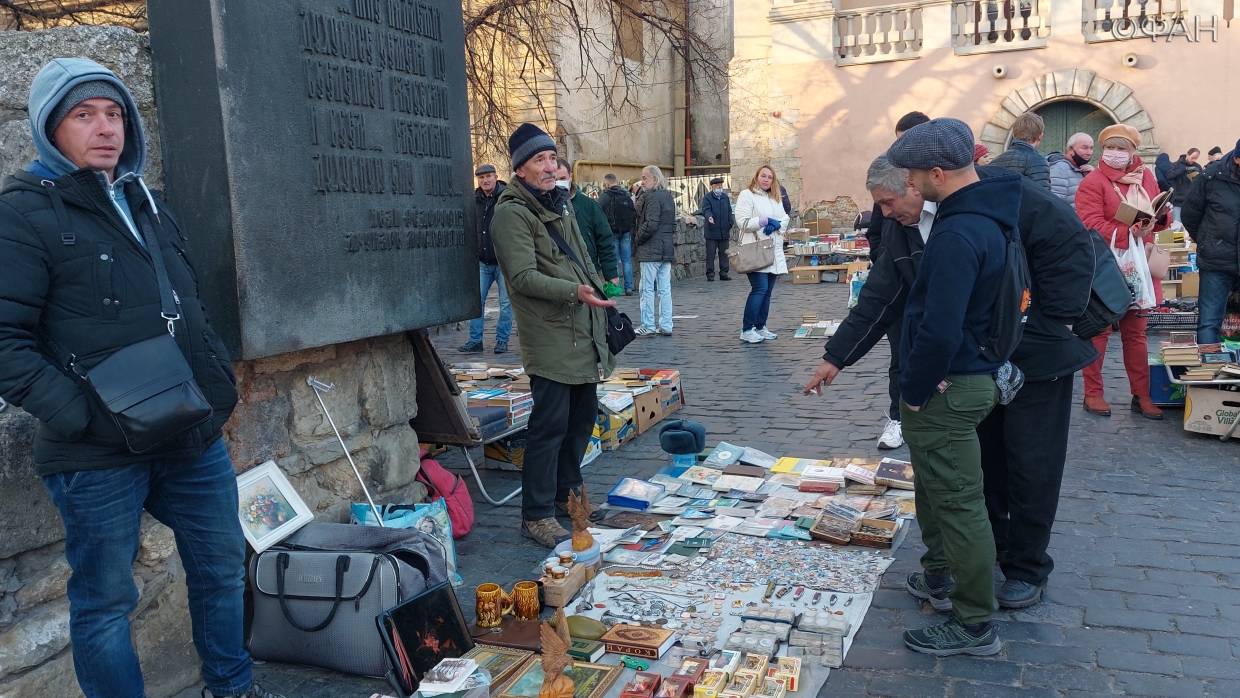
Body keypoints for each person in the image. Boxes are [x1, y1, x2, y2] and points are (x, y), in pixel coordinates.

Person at [0, 58, 280, 698]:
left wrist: (216, 393)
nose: (105, 128)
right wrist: (78, 414)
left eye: (114, 113)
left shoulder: (146, 201)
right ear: (49, 126)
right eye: (83, 114)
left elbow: (189, 305)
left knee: (219, 569)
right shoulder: (22, 213)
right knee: (104, 603)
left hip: (189, 435)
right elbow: (4, 341)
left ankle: (231, 689)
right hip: (96, 452)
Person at [804, 154, 1096, 611]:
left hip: (1036, 357)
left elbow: (1073, 255)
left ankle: (1026, 567)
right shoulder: (905, 224)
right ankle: (986, 556)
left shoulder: (1005, 201)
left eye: (887, 202)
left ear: (918, 183)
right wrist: (836, 356)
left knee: (1032, 465)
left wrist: (1029, 330)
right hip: (972, 367)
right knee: (983, 464)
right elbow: (883, 294)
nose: (882, 215)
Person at [887, 118, 1018, 657]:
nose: (912, 187)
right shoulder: (989, 217)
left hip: (949, 384)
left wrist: (914, 390)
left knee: (961, 503)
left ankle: (973, 622)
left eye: (916, 177)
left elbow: (940, 325)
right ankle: (942, 579)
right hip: (973, 374)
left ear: (939, 172)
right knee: (944, 491)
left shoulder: (960, 231)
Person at [490, 123, 616, 547]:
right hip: (549, 335)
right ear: (520, 170)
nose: (550, 166)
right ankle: (536, 514)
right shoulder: (510, 212)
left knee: (581, 421)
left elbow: (582, 258)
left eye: (551, 158)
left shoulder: (559, 204)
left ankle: (570, 495)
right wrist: (574, 291)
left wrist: (598, 285)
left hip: (582, 330)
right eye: (539, 160)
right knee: (549, 428)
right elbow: (522, 277)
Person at [1075, 123, 1170, 420]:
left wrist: (1160, 217)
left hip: (1141, 266)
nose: (1115, 153)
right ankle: (1093, 393)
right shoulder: (1094, 182)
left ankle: (1141, 395)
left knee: (1137, 335)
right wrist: (1126, 231)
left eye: (1122, 148)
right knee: (1099, 331)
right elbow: (1087, 223)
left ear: (1132, 153)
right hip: (1107, 266)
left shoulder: (1146, 177)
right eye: (1111, 148)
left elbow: (1158, 218)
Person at [864, 110, 931, 448]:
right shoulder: (889, 187)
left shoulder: (940, 194)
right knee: (900, 356)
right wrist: (886, 261)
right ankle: (898, 417)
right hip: (898, 286)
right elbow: (877, 231)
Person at [1182, 139, 1240, 344]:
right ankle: (1211, 370)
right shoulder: (1211, 176)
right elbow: (1190, 214)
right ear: (1236, 159)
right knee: (1209, 322)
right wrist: (1207, 240)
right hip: (1216, 259)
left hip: (1217, 253)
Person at [460, 163, 513, 355]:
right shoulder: (474, 199)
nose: (485, 180)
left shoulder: (506, 197)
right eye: (481, 177)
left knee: (506, 304)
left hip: (503, 262)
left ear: (496, 177)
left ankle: (502, 340)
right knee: (476, 303)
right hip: (482, 261)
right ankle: (475, 341)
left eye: (488, 176)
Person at [735, 165, 790, 344]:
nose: (766, 179)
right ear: (756, 176)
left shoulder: (774, 197)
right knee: (760, 289)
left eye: (770, 177)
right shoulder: (747, 195)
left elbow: (784, 217)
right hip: (756, 249)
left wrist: (778, 224)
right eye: (763, 176)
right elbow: (742, 222)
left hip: (773, 249)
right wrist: (763, 221)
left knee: (767, 292)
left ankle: (760, 326)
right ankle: (746, 329)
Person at [556, 158, 619, 289]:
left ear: (570, 177)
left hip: (588, 271)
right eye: (554, 179)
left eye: (562, 178)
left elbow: (605, 239)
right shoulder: (542, 207)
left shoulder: (588, 205)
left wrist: (611, 273)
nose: (559, 183)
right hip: (558, 275)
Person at [634, 165, 677, 337]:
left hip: (651, 248)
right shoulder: (668, 196)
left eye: (645, 178)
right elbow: (671, 224)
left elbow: (650, 223)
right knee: (664, 289)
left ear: (655, 179)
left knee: (647, 289)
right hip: (666, 248)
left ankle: (648, 324)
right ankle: (666, 324)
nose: (642, 182)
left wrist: (638, 238)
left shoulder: (650, 197)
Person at [598, 173, 637, 295]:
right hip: (626, 232)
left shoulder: (605, 197)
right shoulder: (626, 195)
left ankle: (617, 287)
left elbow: (598, 214)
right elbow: (633, 213)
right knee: (627, 260)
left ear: (607, 183)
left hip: (612, 232)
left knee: (614, 261)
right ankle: (629, 287)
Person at [989, 112, 1050, 190]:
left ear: (1014, 134)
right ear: (1040, 136)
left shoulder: (994, 162)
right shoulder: (1038, 161)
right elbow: (1043, 198)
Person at [694, 176, 734, 281]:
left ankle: (724, 273)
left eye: (720, 186)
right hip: (711, 231)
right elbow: (706, 210)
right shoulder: (707, 198)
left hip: (724, 231)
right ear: (712, 187)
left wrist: (730, 222)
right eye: (717, 186)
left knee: (724, 253)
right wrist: (709, 217)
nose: (719, 188)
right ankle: (710, 274)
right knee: (711, 254)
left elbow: (729, 211)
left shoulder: (725, 197)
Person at [1046, 132, 1095, 205]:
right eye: (1084, 148)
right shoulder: (1060, 168)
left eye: (1091, 148)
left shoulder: (1084, 169)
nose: (1089, 152)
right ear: (1070, 149)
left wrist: (1094, 176)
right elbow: (1055, 203)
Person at [1169, 148, 1205, 226]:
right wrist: (1183, 169)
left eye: (1196, 158)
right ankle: (1178, 238)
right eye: (1192, 157)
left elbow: (1201, 183)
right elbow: (1170, 176)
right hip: (1178, 201)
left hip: (1192, 202)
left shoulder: (1197, 166)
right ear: (1187, 154)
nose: (1194, 160)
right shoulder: (1176, 165)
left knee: (1191, 227)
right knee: (1177, 227)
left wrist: (1197, 177)